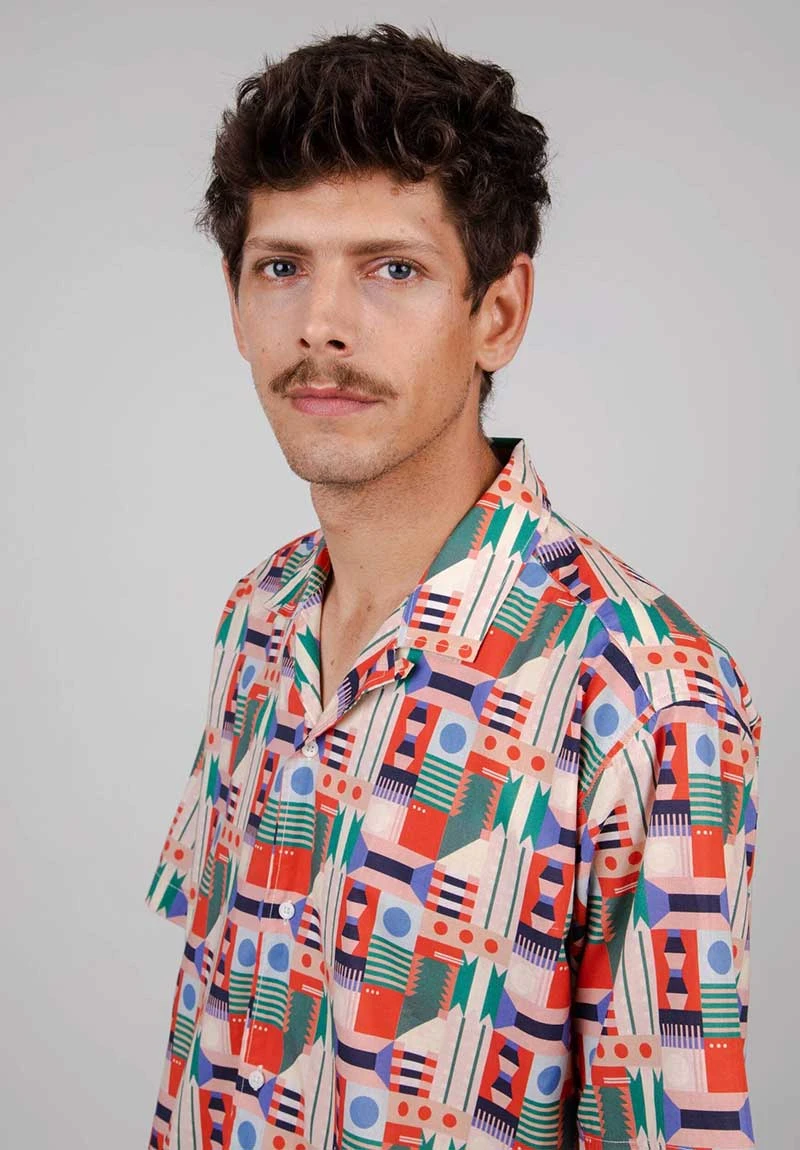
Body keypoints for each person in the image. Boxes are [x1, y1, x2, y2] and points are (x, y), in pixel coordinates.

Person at [144, 23, 761, 1150]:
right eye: (281, 267)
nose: (322, 325)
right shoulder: (259, 617)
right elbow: (208, 1030)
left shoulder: (644, 694)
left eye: (393, 269)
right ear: (234, 302)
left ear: (498, 313)